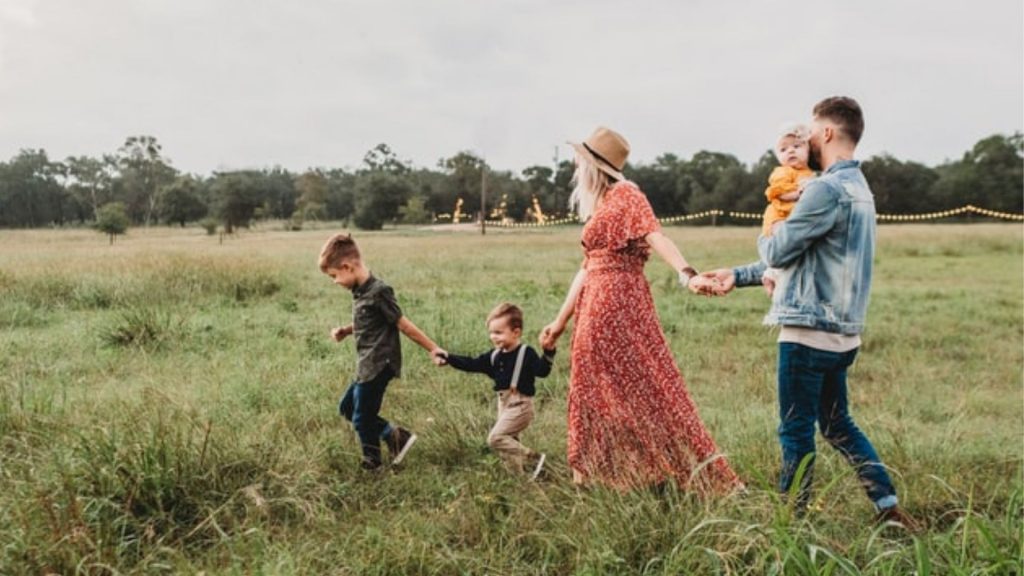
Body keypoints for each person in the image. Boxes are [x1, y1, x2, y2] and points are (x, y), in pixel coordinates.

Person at [699, 97, 917, 528]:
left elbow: (779, 249)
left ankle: (791, 525)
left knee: (795, 431)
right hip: (843, 335)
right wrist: (738, 275)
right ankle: (887, 507)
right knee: (838, 426)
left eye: (813, 132)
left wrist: (771, 229)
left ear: (829, 133)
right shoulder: (860, 190)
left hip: (806, 334)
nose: (808, 140)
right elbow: (807, 259)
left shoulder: (823, 188)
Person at [538, 126, 742, 492]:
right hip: (595, 302)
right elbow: (587, 267)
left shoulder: (626, 195)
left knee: (643, 385)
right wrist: (559, 321)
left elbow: (655, 235)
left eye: (579, 161)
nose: (574, 168)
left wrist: (687, 274)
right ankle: (600, 475)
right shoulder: (601, 204)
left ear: (593, 166)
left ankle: (652, 470)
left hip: (617, 302)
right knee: (593, 388)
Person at [319, 233, 445, 471]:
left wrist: (433, 348)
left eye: (334, 276)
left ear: (347, 266)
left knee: (362, 417)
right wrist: (346, 330)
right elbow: (370, 321)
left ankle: (372, 463)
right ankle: (396, 436)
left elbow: (402, 324)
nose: (334, 281)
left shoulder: (379, 291)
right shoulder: (360, 291)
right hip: (366, 364)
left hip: (379, 364)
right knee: (347, 408)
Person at [436, 302, 554, 479]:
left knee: (496, 438)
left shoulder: (525, 353)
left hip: (521, 405)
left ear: (516, 332)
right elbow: (472, 364)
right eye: (491, 332)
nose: (493, 337)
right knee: (510, 444)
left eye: (498, 332)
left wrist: (548, 352)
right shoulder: (495, 356)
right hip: (503, 404)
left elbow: (542, 371)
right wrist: (449, 357)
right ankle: (518, 479)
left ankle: (534, 459)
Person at [761, 124, 816, 290]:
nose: (790, 151)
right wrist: (799, 194)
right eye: (783, 150)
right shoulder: (783, 171)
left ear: (808, 149)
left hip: (794, 217)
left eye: (796, 146)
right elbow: (780, 192)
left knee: (795, 248)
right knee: (784, 243)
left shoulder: (810, 173)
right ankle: (771, 273)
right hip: (779, 216)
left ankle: (774, 274)